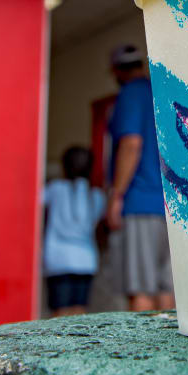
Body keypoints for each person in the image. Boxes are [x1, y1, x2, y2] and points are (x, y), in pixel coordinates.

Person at [104, 44, 174, 312]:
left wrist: (117, 195)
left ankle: (144, 355)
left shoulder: (130, 94)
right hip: (169, 205)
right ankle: (172, 353)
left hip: (141, 201)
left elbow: (131, 144)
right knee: (166, 286)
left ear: (115, 71)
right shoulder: (159, 93)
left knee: (141, 289)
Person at [43, 145, 105, 317]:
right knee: (79, 311)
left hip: (58, 259)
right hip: (86, 260)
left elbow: (35, 199)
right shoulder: (97, 195)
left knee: (59, 312)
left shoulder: (55, 188)